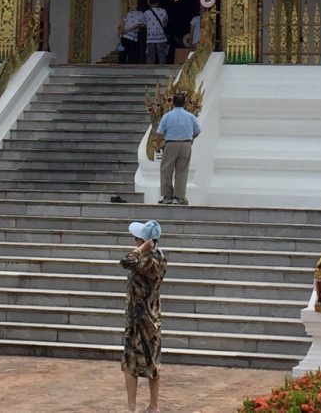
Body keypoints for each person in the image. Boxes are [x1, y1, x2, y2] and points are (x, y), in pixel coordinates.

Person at [121, 219, 166, 413]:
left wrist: (142, 250)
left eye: (137, 239)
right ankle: (139, 406)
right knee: (137, 361)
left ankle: (149, 406)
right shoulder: (154, 256)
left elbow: (126, 261)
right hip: (142, 317)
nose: (134, 242)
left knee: (145, 362)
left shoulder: (149, 260)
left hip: (143, 319)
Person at [155, 93, 201, 205]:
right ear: (184, 102)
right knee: (182, 171)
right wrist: (191, 139)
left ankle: (168, 196)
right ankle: (179, 197)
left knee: (166, 170)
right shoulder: (190, 116)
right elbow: (198, 131)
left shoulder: (167, 116)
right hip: (186, 144)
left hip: (170, 144)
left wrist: (157, 145)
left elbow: (159, 133)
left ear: (173, 103)